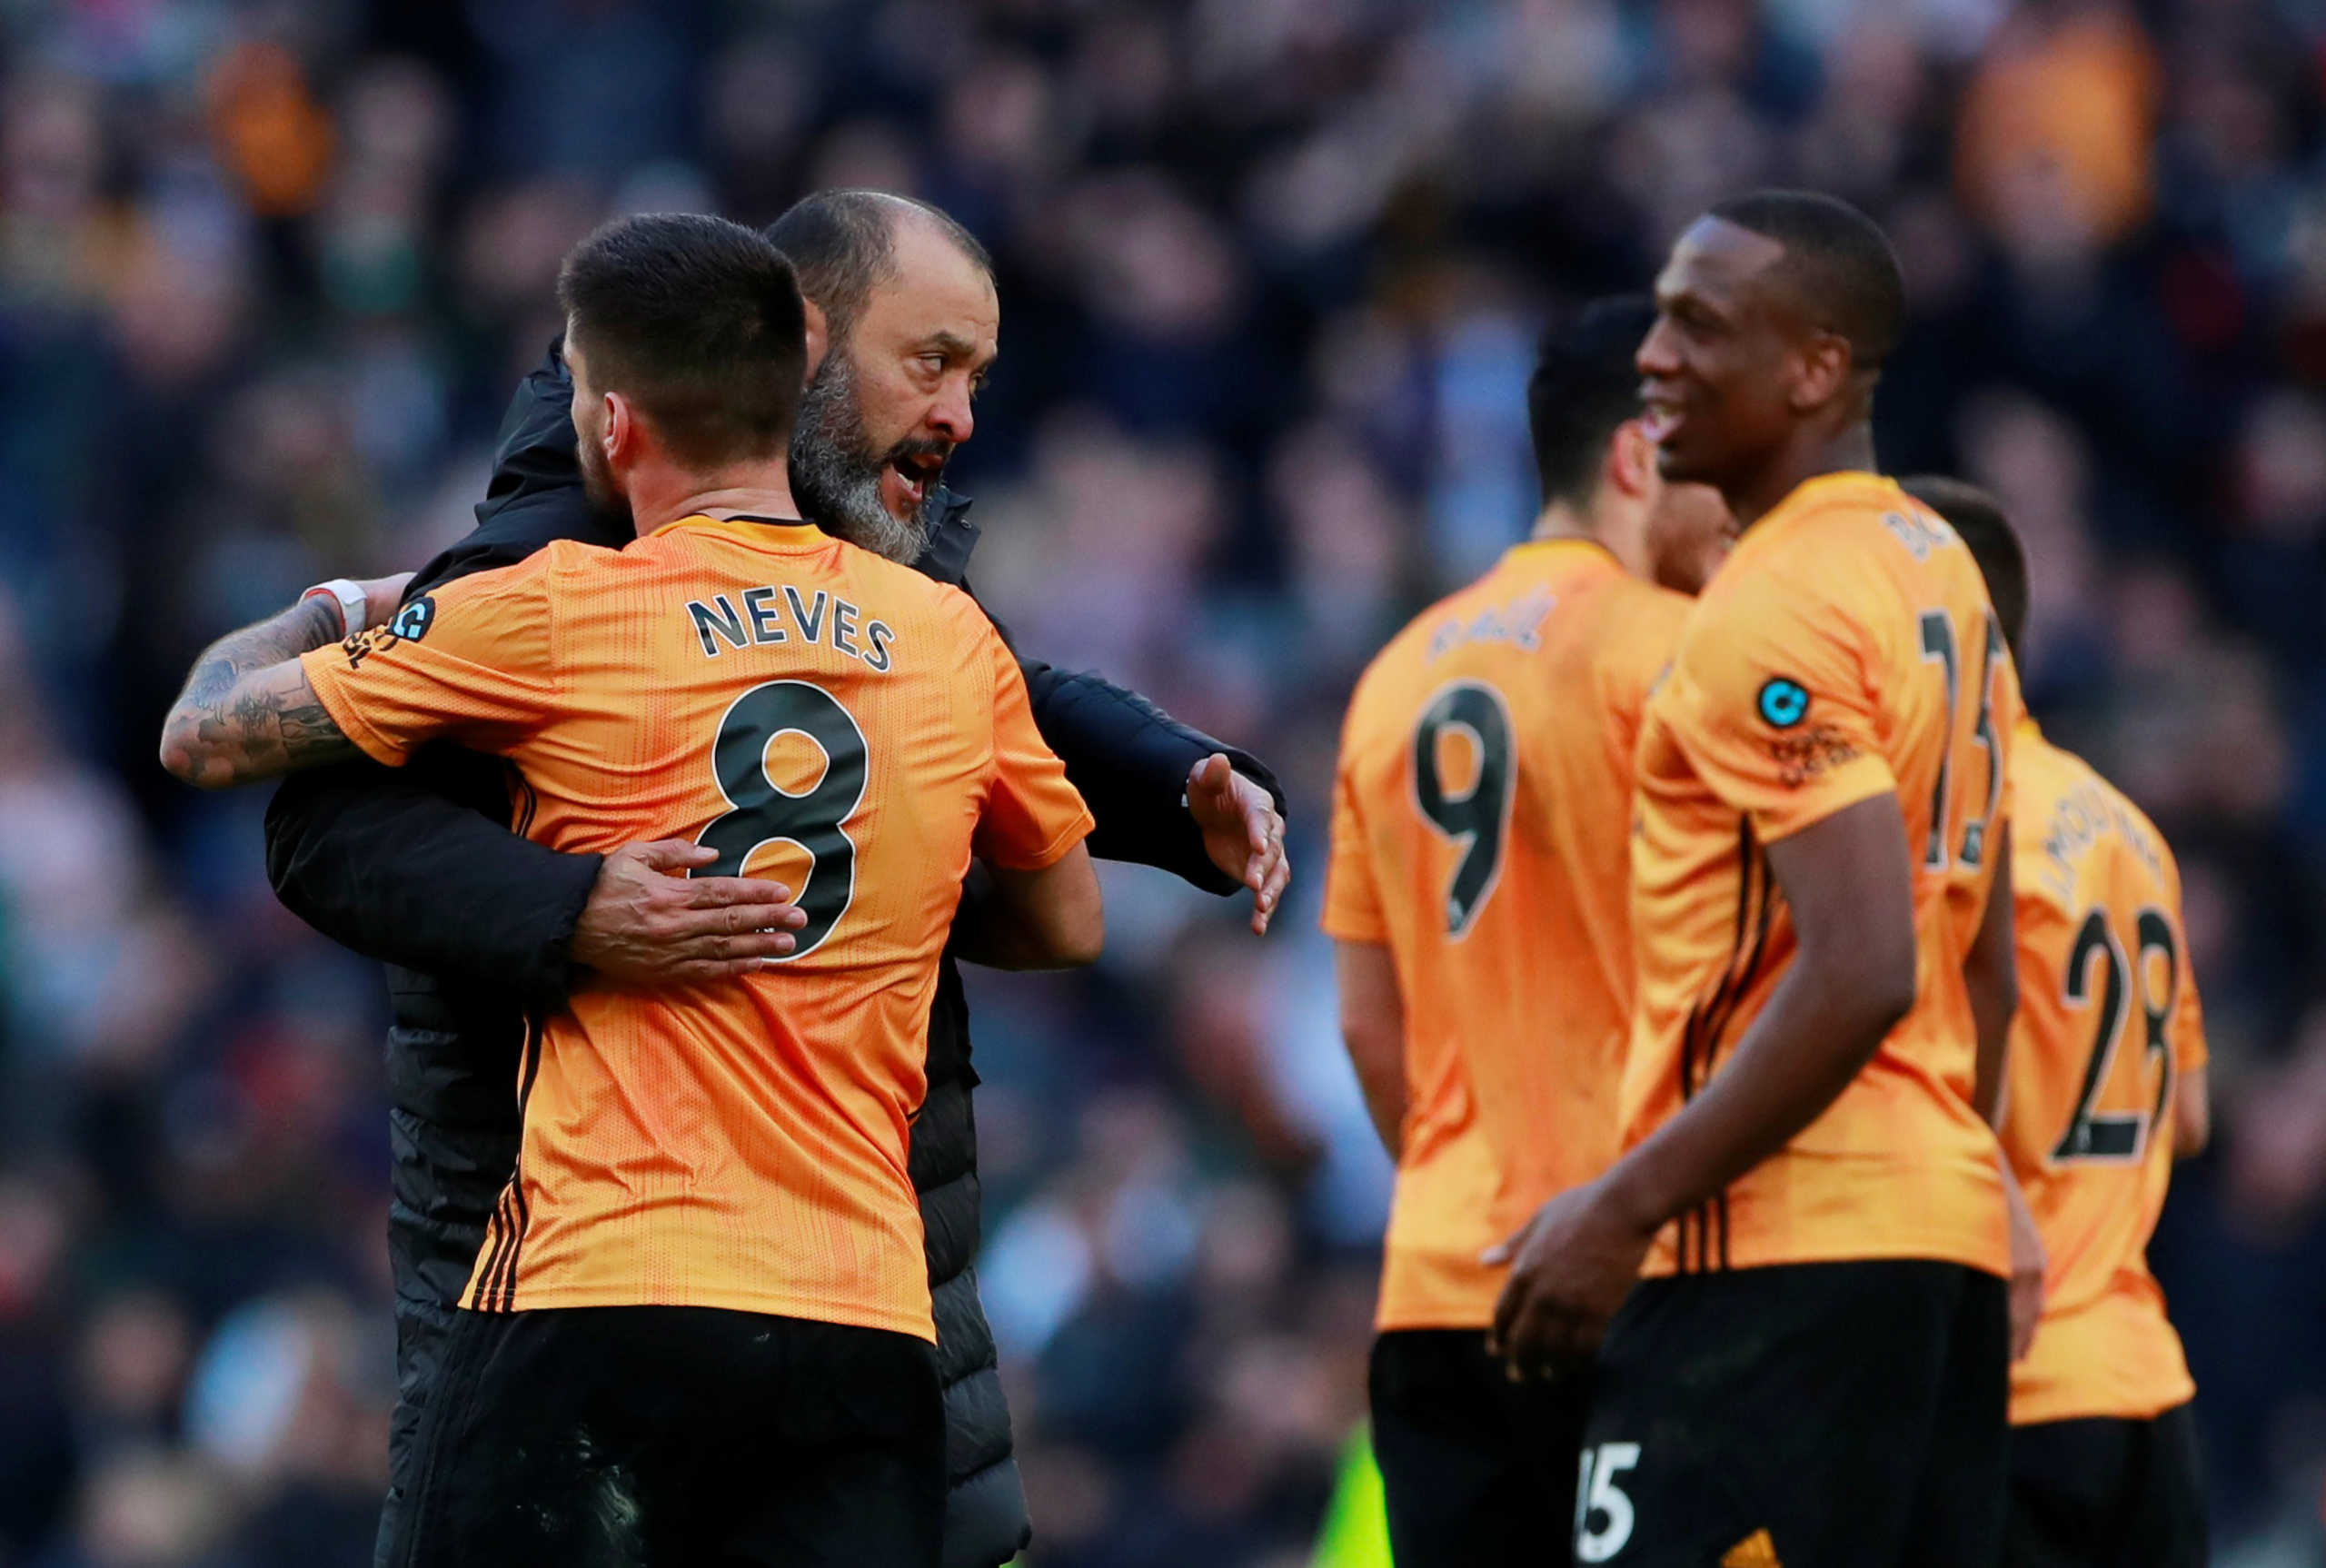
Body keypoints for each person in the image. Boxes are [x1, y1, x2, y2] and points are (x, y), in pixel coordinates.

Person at [259, 192, 1288, 1568]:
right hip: (568, 1272)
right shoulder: (567, 538)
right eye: (932, 363)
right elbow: (326, 825)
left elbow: (994, 678)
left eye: (980, 375)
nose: (965, 416)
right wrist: (574, 910)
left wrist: (1173, 781)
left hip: (857, 1287)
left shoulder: (874, 541)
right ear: (796, 346)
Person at [1486, 191, 2033, 1568]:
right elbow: (1986, 963)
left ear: (1815, 367)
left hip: (1774, 1258)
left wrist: (1621, 1205)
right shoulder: (1935, 565)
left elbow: (1865, 964)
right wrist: (1957, 1186)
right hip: (1928, 1247)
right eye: (1662, 311)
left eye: (1700, 323)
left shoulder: (1770, 605)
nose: (1658, 353)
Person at [1319, 296, 1730, 1568]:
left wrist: (1463, 1182)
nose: (1738, 518)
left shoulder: (1393, 678)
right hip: (1647, 1279)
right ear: (1637, 456)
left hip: (1443, 1286)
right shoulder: (1685, 655)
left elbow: (1365, 1021)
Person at [1902, 476, 2211, 1568]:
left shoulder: (1945, 841)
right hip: (2141, 1385)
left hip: (2010, 1395)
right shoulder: (2126, 828)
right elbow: (2184, 1117)